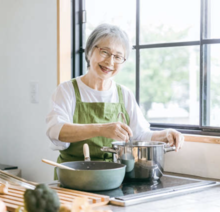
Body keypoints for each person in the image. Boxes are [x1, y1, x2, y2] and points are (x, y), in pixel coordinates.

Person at [46, 23, 184, 179]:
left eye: (118, 56)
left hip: (114, 178)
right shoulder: (67, 90)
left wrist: (165, 135)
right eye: (104, 52)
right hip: (74, 177)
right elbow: (56, 131)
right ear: (90, 51)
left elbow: (139, 135)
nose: (110, 62)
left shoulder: (124, 94)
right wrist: (101, 129)